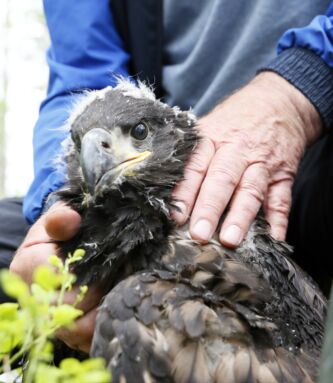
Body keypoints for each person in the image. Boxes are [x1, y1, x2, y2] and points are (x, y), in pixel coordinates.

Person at [1, 0, 333, 351]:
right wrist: (57, 214)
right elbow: (81, 74)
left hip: (314, 151)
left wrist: (299, 91)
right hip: (160, 191)